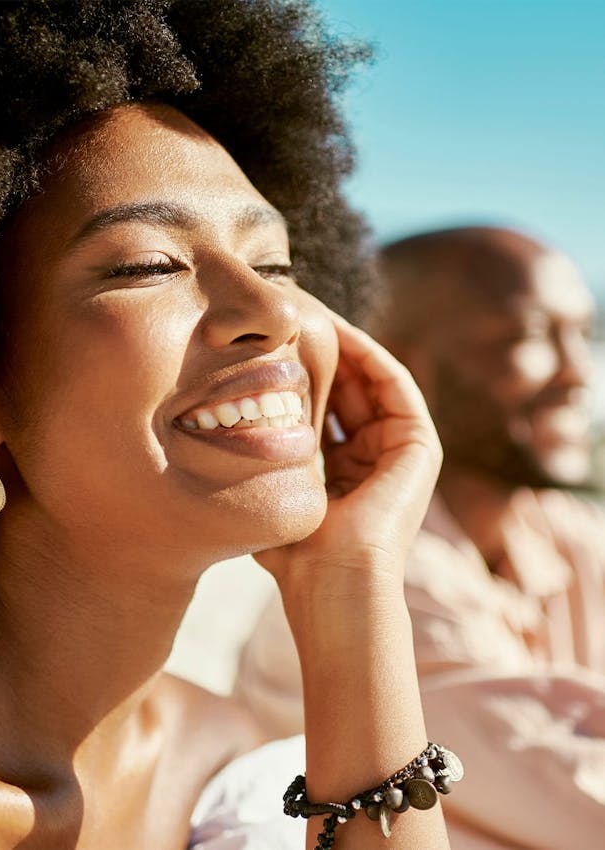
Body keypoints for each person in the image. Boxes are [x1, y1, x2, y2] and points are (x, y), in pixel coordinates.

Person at [0, 2, 454, 848]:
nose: (272, 309)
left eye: (274, 260)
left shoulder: (221, 746)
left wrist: (352, 579)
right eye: (148, 265)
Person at [235, 225, 605, 850]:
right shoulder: (374, 577)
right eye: (529, 337)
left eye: (585, 336)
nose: (580, 375)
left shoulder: (562, 533)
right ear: (396, 367)